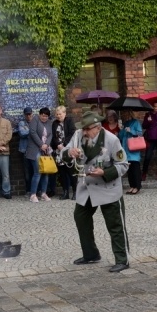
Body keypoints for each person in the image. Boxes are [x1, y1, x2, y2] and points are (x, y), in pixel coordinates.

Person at [60, 111, 131, 273]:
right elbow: (63, 154)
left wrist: (105, 173)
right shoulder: (78, 136)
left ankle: (122, 259)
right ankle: (91, 254)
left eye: (87, 129)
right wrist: (69, 153)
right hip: (87, 187)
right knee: (80, 217)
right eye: (83, 128)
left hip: (108, 188)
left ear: (97, 128)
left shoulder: (112, 140)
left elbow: (123, 164)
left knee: (115, 225)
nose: (84, 131)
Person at [26, 107, 53, 202]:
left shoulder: (50, 122)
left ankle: (43, 193)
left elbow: (50, 135)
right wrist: (41, 145)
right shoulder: (35, 120)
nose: (44, 117)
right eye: (43, 115)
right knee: (38, 172)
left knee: (46, 172)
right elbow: (32, 133)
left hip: (45, 150)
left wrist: (46, 145)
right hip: (35, 149)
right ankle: (33, 194)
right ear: (39, 114)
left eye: (46, 116)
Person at [51, 105, 76, 200]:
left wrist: (64, 144)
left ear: (64, 113)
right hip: (59, 151)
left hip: (68, 149)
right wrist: (58, 145)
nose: (58, 116)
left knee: (71, 171)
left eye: (60, 114)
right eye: (57, 114)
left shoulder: (69, 121)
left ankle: (75, 191)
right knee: (62, 172)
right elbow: (53, 136)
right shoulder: (54, 124)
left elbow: (72, 134)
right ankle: (65, 192)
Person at [118, 109, 143, 194]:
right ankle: (132, 186)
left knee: (135, 169)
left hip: (134, 149)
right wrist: (121, 130)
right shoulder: (125, 124)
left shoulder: (136, 122)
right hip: (126, 149)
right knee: (129, 170)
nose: (126, 116)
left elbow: (140, 134)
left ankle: (137, 186)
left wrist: (131, 131)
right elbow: (121, 137)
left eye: (127, 114)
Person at [142, 102, 157, 181]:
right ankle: (144, 173)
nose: (155, 108)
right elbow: (144, 126)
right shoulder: (148, 114)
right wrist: (148, 121)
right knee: (147, 156)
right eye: (154, 106)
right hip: (150, 138)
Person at [17, 107, 35, 195]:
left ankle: (35, 190)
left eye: (30, 114)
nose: (29, 116)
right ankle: (28, 190)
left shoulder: (35, 122)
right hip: (25, 151)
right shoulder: (21, 123)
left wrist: (28, 130)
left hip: (35, 151)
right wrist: (32, 131)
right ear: (24, 115)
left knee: (35, 171)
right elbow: (22, 134)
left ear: (32, 114)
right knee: (27, 172)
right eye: (27, 114)